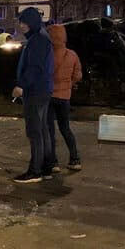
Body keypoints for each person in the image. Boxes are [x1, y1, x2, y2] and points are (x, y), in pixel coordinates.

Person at [11, 7, 54, 183]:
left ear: (32, 23)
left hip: (35, 91)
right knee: (42, 129)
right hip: (42, 90)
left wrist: (21, 85)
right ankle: (46, 167)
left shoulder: (38, 41)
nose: (21, 25)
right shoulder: (40, 38)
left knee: (35, 131)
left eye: (24, 22)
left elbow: (35, 68)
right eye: (20, 22)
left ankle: (35, 171)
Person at [43, 24, 83, 173]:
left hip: (49, 96)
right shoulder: (72, 55)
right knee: (65, 128)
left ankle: (53, 163)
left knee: (50, 130)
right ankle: (75, 159)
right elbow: (78, 75)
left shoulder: (46, 54)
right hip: (65, 97)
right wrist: (68, 85)